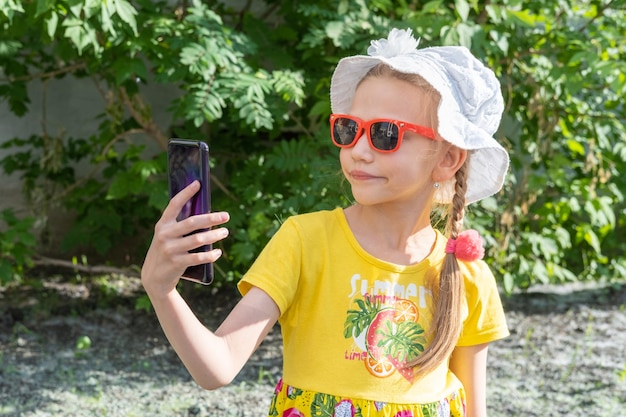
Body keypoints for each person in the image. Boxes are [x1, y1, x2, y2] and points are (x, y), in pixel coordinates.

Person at [141, 28, 510, 417]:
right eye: (350, 129)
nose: (359, 151)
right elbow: (217, 367)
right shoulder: (304, 242)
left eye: (386, 134)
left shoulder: (466, 275)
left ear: (448, 158)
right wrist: (161, 289)